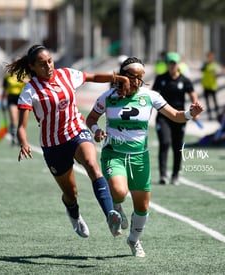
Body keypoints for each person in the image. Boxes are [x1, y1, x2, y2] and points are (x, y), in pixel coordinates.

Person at [7, 44, 130, 238]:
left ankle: (110, 216)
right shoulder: (30, 90)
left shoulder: (66, 75)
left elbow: (92, 77)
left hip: (76, 131)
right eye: (42, 64)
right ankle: (74, 213)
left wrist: (117, 78)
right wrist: (23, 142)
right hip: (53, 145)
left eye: (50, 61)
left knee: (92, 165)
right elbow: (22, 126)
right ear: (32, 67)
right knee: (71, 193)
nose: (48, 66)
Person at [86, 56, 204, 257]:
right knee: (119, 191)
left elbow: (175, 115)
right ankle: (116, 206)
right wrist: (96, 130)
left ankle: (134, 240)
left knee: (142, 206)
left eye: (141, 76)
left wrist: (190, 113)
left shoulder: (150, 96)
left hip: (140, 158)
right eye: (133, 76)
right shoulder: (107, 97)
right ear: (123, 76)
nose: (138, 80)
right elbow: (91, 118)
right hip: (114, 154)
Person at [152, 52, 198, 185]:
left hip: (180, 117)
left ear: (179, 65)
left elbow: (193, 95)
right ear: (166, 64)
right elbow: (154, 96)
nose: (172, 66)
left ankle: (175, 174)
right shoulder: (161, 78)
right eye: (170, 63)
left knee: (177, 145)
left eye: (174, 63)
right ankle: (163, 175)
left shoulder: (184, 80)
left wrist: (195, 112)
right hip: (164, 117)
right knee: (165, 142)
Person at [1, 66, 26, 146]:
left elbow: (31, 82)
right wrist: (2, 101)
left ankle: (20, 138)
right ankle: (14, 138)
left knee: (21, 121)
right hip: (11, 99)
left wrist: (24, 80)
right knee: (13, 118)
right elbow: (4, 90)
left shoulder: (24, 74)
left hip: (21, 98)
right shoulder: (8, 76)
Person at [201, 51, 221, 120]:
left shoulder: (215, 65)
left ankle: (218, 115)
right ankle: (209, 116)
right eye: (208, 57)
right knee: (207, 102)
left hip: (213, 86)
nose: (209, 58)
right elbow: (201, 70)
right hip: (206, 86)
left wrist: (216, 74)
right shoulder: (205, 64)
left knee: (215, 101)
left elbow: (218, 73)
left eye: (211, 57)